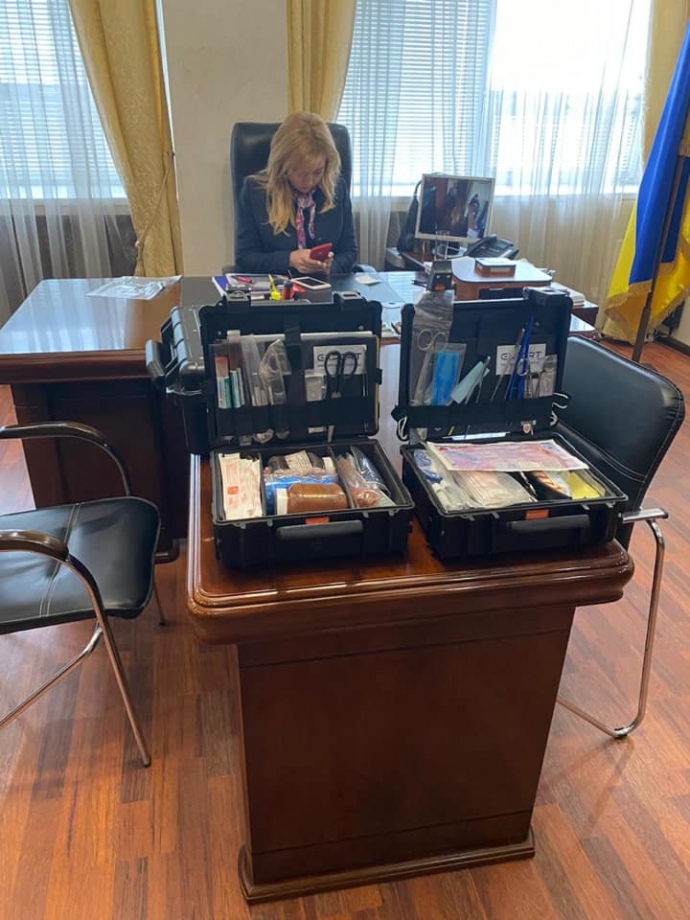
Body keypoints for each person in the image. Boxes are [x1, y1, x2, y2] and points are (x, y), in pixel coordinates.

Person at [235, 112, 358, 276]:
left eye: (317, 172)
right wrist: (289, 259)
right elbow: (245, 258)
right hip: (277, 287)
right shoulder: (255, 192)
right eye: (301, 173)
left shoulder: (337, 188)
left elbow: (349, 252)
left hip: (327, 285)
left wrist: (330, 266)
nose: (309, 181)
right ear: (283, 166)